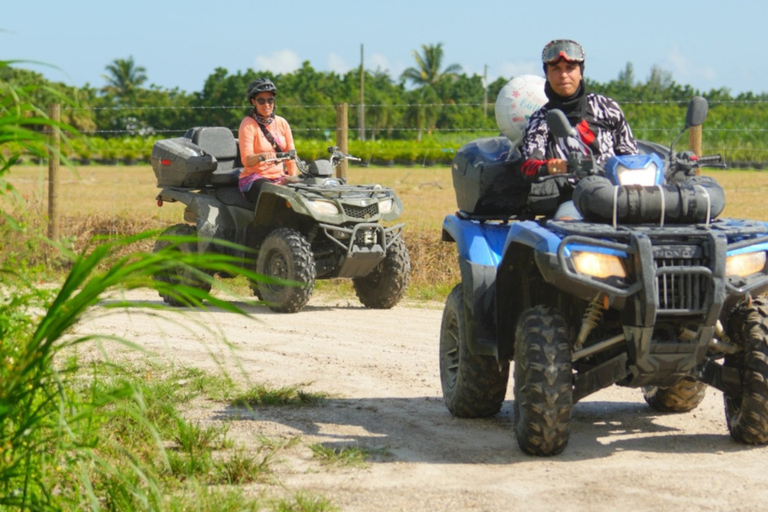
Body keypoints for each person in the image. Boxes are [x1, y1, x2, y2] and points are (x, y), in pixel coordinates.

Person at [520, 39, 638, 219]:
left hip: (616, 194)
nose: (563, 75)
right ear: (547, 75)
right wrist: (551, 167)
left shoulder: (607, 108)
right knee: (568, 222)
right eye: (556, 69)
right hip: (572, 198)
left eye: (570, 68)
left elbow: (631, 155)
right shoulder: (541, 120)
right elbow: (529, 166)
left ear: (580, 73)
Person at [238, 78, 298, 202]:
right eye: (261, 100)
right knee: (271, 195)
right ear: (253, 101)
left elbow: (291, 155)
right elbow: (246, 160)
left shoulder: (282, 123)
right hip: (255, 178)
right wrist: (261, 156)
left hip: (280, 177)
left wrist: (293, 178)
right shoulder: (248, 124)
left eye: (270, 100)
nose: (267, 104)